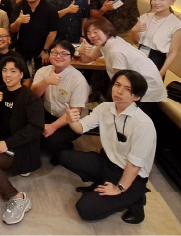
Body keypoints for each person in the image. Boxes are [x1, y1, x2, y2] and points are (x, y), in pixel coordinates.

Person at [59, 70, 155, 224]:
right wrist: (71, 120)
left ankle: (136, 200)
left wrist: (119, 188)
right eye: (117, 85)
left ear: (137, 97)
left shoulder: (143, 124)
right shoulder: (105, 108)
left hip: (131, 176)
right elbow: (80, 128)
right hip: (108, 163)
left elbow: (134, 165)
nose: (119, 91)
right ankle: (101, 183)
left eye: (127, 89)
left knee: (85, 209)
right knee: (63, 156)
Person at [0, 56, 44, 225]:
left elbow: (36, 128)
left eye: (13, 71)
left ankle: (17, 197)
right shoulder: (2, 90)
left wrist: (7, 143)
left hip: (19, 148)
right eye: (4, 70)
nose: (7, 75)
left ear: (22, 74)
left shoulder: (30, 99)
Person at [80, 17, 167, 116]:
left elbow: (121, 81)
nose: (92, 36)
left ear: (107, 30)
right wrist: (82, 52)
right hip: (134, 85)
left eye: (95, 32)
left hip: (147, 90)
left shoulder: (115, 50)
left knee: (130, 120)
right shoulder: (107, 43)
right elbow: (88, 59)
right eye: (88, 33)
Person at [31, 41, 89, 165]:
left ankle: (67, 149)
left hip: (72, 121)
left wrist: (53, 127)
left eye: (64, 54)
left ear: (71, 58)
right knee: (31, 131)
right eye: (55, 52)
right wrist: (46, 81)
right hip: (49, 113)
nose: (58, 56)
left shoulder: (78, 80)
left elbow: (75, 112)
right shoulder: (43, 71)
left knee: (50, 141)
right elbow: (33, 96)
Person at [131, 0, 181, 77]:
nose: (157, 2)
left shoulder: (176, 24)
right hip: (139, 56)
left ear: (172, 1)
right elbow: (136, 41)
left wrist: (161, 73)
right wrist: (133, 31)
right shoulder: (145, 17)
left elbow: (173, 53)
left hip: (157, 61)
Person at [10, 0, 59, 73]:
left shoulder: (50, 8)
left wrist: (45, 50)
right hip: (22, 48)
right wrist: (18, 22)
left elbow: (52, 32)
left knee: (42, 74)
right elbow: (13, 30)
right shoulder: (19, 7)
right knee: (20, 74)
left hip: (42, 48)